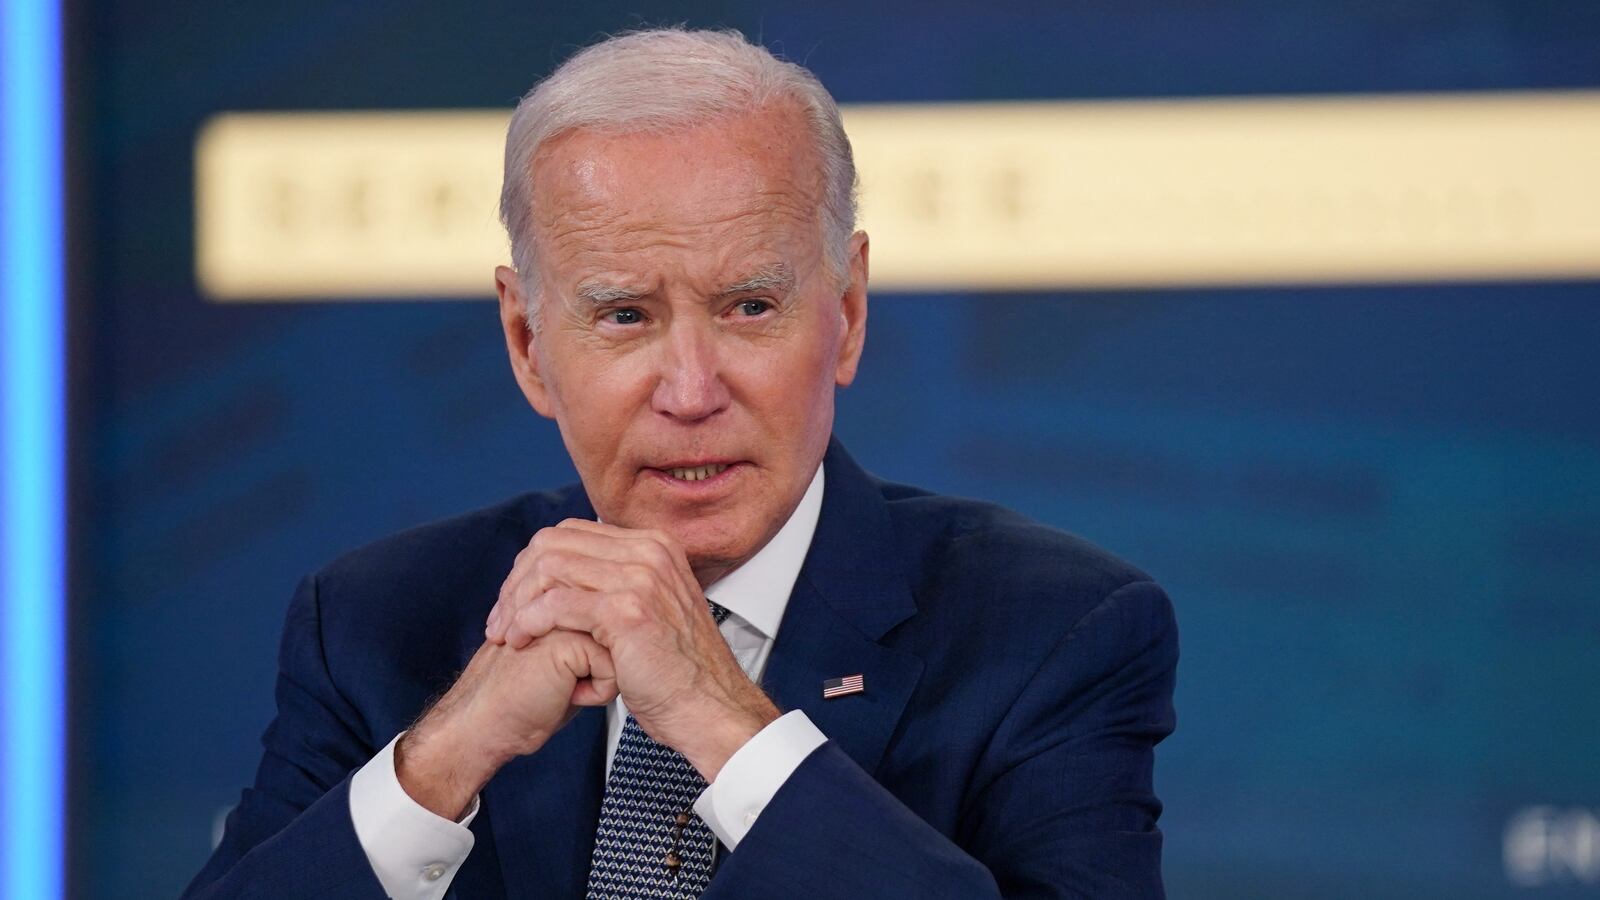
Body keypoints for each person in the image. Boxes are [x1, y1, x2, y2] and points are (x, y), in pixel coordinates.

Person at [184, 27, 1177, 900]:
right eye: (625, 316)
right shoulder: (374, 624)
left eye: (749, 307)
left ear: (848, 314)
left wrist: (721, 721)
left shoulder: (1054, 630)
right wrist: (445, 759)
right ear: (528, 343)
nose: (692, 389)